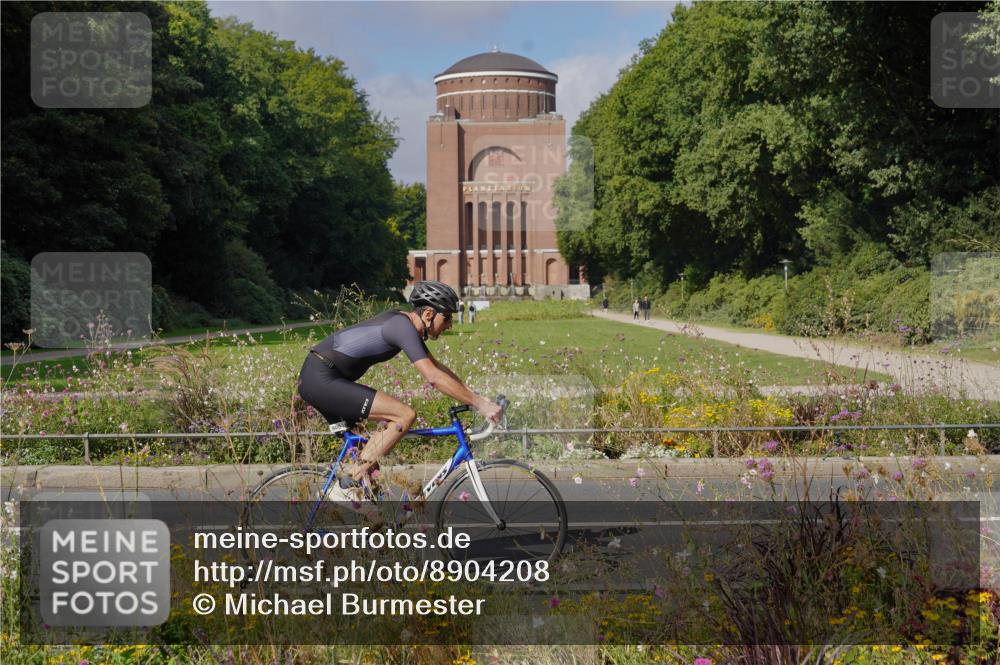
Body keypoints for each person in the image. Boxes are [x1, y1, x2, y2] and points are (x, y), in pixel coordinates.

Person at [297, 280, 501, 490]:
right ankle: (347, 487)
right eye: (447, 317)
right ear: (429, 314)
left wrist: (476, 397)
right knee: (404, 415)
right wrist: (479, 404)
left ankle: (364, 509)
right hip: (321, 378)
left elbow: (437, 367)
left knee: (370, 463)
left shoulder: (406, 325)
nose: (450, 324)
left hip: (321, 377)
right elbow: (433, 377)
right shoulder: (401, 327)